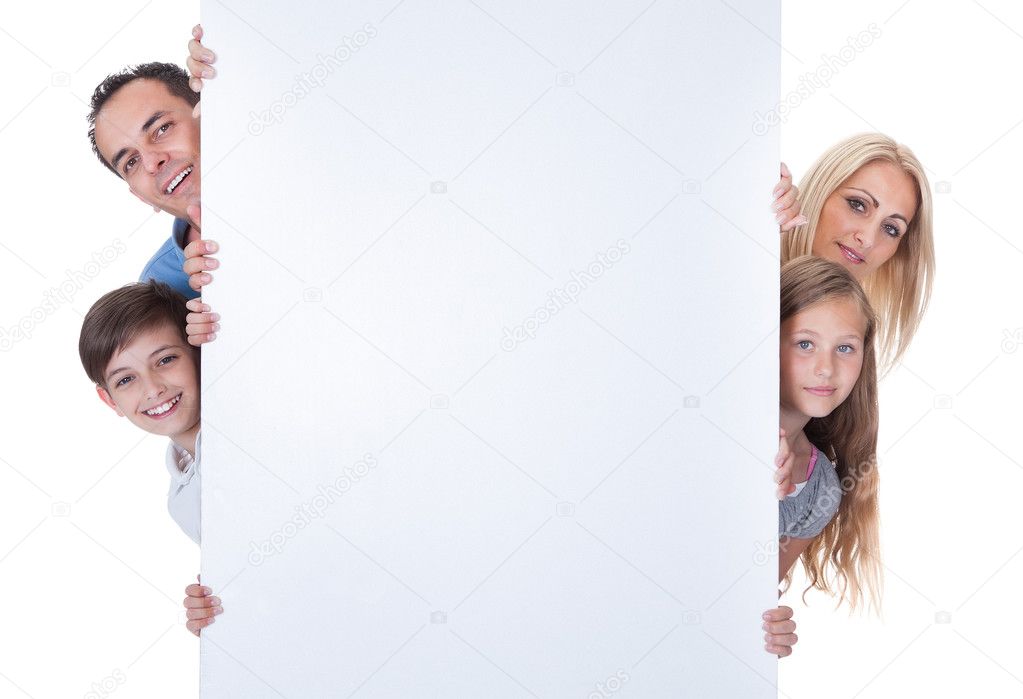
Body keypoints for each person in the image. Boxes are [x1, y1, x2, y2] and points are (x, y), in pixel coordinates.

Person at [78, 280, 222, 635]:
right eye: (126, 380)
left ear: (198, 352)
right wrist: (214, 609)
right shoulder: (181, 500)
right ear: (110, 400)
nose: (153, 388)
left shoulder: (247, 434)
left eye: (166, 359)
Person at [772, 256, 882, 614]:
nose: (826, 369)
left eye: (845, 348)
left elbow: (746, 600)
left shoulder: (821, 490)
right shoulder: (712, 434)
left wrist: (766, 631)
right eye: (805, 343)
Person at [781, 134, 935, 373]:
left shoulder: (853, 342)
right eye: (858, 204)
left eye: (891, 229)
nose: (868, 239)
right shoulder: (747, 279)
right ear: (821, 191)